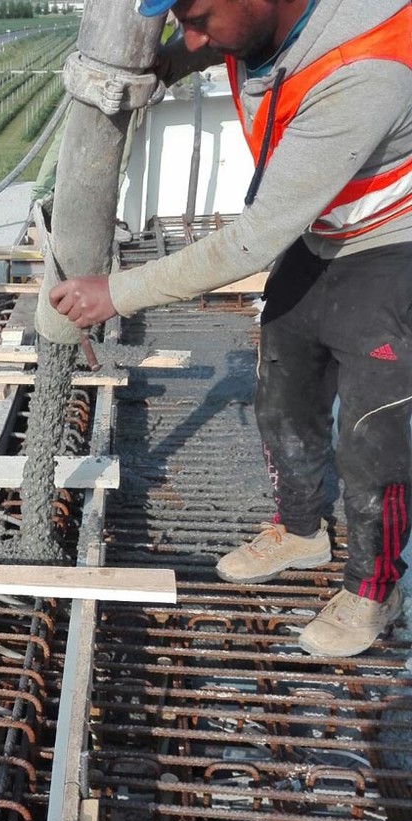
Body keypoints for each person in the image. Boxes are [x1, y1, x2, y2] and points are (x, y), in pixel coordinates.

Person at [50, 0, 412, 658]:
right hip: (319, 226)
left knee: (373, 432)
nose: (192, 35)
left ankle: (372, 591)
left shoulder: (368, 66)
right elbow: (230, 38)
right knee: (281, 388)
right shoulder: (260, 20)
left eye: (199, 18)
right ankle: (301, 531)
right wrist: (169, 61)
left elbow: (248, 244)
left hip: (390, 243)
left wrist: (117, 293)